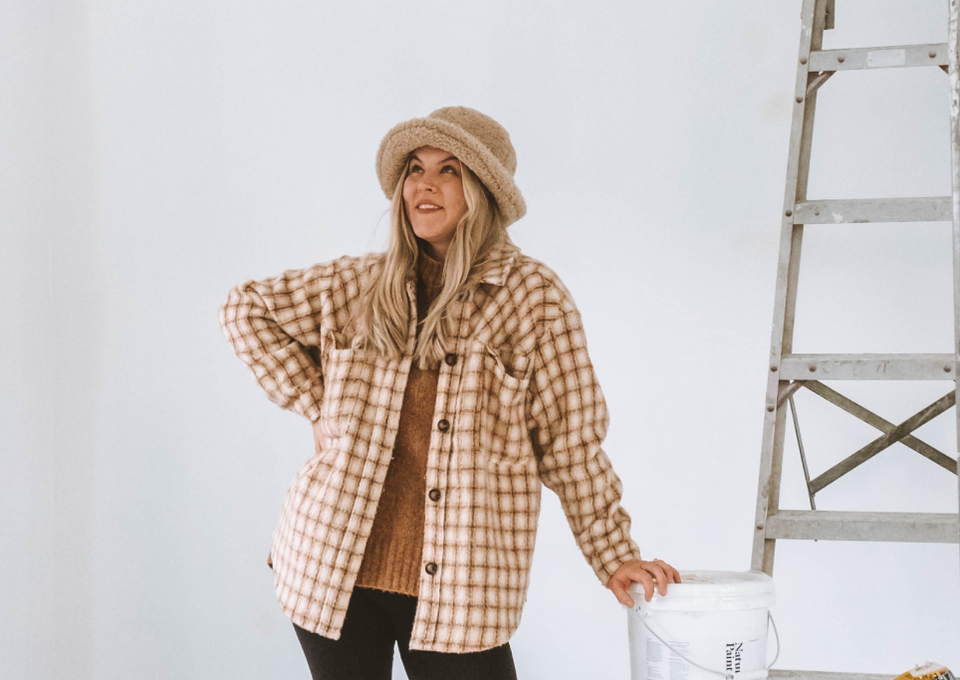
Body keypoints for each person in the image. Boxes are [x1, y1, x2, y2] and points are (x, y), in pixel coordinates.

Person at [219, 106, 680, 680]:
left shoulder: (533, 299)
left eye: (450, 170)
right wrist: (316, 405)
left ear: (483, 191)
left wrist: (613, 555)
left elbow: (570, 442)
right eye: (416, 168)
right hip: (330, 565)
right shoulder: (357, 283)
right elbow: (246, 308)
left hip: (463, 583)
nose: (425, 185)